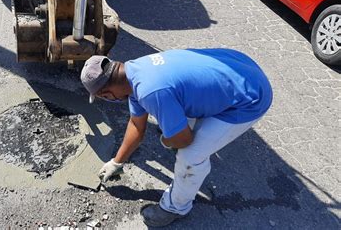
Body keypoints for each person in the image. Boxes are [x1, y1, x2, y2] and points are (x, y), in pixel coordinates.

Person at [80, 48, 273, 227]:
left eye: (102, 97)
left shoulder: (150, 91)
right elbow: (136, 125)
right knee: (176, 115)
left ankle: (175, 207)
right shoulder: (132, 73)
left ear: (107, 94)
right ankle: (175, 127)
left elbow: (184, 141)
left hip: (250, 97)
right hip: (239, 66)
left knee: (190, 155)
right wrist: (116, 162)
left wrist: (168, 139)